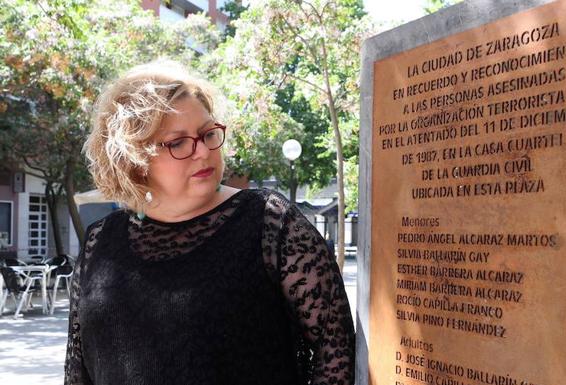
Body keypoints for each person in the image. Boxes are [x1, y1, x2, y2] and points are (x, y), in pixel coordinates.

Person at [64, 60, 355, 385]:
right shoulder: (99, 242)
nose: (202, 152)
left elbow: (335, 347)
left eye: (207, 134)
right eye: (178, 142)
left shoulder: (269, 223)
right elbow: (78, 369)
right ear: (134, 156)